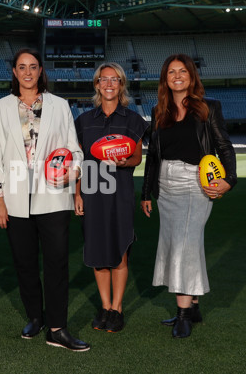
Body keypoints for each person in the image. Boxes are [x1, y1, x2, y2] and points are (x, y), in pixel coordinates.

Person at [0, 48, 89, 352]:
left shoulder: (60, 105)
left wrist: (72, 173)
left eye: (33, 67)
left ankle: (57, 327)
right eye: (22, 67)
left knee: (57, 263)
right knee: (25, 263)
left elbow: (76, 150)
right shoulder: (0, 107)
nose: (28, 72)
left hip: (53, 197)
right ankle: (35, 316)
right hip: (16, 198)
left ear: (40, 71)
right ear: (15, 72)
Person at [140, 54, 237, 338]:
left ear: (192, 76)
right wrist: (147, 192)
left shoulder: (209, 107)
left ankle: (183, 314)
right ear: (165, 79)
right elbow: (153, 157)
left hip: (196, 184)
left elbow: (224, 146)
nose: (177, 76)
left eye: (183, 71)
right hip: (166, 187)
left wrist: (229, 180)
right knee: (179, 244)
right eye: (171, 72)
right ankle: (192, 307)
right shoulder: (159, 111)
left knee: (184, 244)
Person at [74, 63, 148, 333]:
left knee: (119, 253)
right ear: (96, 84)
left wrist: (123, 160)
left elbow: (138, 158)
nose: (108, 84)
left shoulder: (133, 119)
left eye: (114, 79)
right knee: (97, 254)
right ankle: (104, 307)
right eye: (103, 79)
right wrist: (77, 193)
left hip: (120, 191)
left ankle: (117, 308)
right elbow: (79, 161)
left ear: (121, 84)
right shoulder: (83, 121)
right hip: (92, 191)